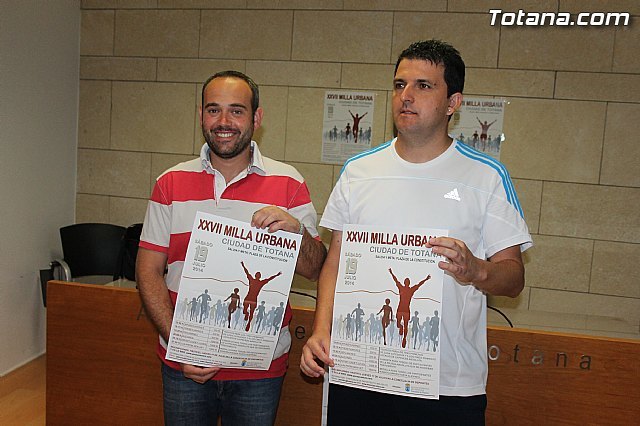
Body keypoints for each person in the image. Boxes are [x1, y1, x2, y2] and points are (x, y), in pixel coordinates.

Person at [300, 40, 532, 425]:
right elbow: (336, 263)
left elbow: (514, 277)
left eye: (423, 85)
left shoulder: (487, 176)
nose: (406, 96)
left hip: (447, 386)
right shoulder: (358, 170)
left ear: (453, 102)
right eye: (399, 85)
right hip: (359, 372)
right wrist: (320, 330)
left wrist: (476, 269)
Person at [136, 70, 327, 426]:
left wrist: (296, 231)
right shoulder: (170, 183)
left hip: (259, 369)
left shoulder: (289, 183)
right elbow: (148, 271)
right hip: (184, 364)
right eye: (214, 110)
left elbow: (315, 269)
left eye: (236, 111)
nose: (224, 121)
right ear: (201, 115)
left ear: (256, 117)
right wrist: (179, 343)